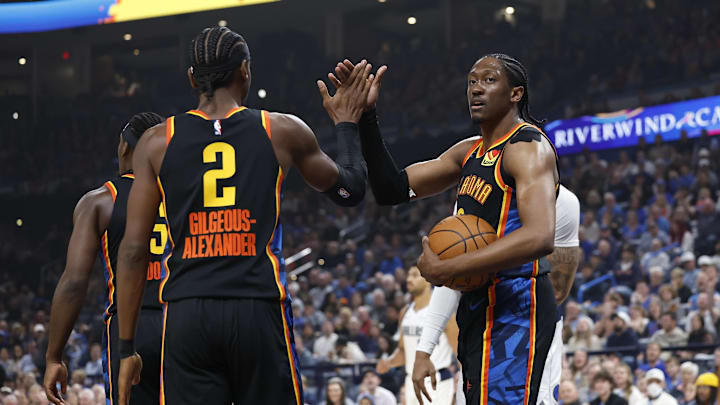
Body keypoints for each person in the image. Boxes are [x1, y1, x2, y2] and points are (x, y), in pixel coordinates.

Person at [115, 27, 374, 405]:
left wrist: (126, 348)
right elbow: (351, 189)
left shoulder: (157, 141)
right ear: (245, 72)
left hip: (188, 313)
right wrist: (348, 124)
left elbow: (133, 251)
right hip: (257, 306)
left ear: (191, 78)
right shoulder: (281, 130)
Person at [329, 54, 561, 404]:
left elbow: (540, 236)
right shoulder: (467, 153)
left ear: (515, 94)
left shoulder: (527, 147)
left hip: (516, 303)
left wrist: (446, 269)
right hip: (476, 303)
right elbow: (391, 188)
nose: (476, 90)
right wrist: (366, 118)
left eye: (489, 80)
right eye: (471, 81)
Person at [42, 113, 166, 405]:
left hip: (129, 328)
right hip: (184, 318)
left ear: (124, 148)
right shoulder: (187, 193)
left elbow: (74, 283)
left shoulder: (99, 201)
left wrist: (53, 357)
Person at [375, 267, 458, 405]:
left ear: (428, 280)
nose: (409, 279)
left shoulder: (444, 312)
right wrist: (389, 362)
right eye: (408, 275)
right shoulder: (405, 312)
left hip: (437, 379)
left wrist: (464, 382)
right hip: (411, 380)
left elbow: (460, 351)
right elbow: (403, 351)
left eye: (414, 275)